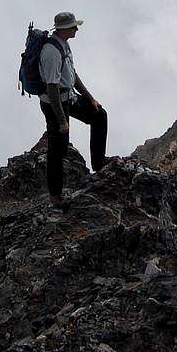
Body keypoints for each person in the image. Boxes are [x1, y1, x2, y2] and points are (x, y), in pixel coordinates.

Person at [38, 11, 109, 210]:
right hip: (54, 105)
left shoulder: (64, 45)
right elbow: (52, 89)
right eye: (73, 26)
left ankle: (99, 163)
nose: (76, 29)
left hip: (68, 98)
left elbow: (72, 75)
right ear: (63, 30)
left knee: (99, 115)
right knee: (58, 150)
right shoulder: (51, 52)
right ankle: (56, 197)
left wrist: (90, 98)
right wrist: (62, 121)